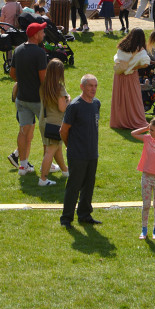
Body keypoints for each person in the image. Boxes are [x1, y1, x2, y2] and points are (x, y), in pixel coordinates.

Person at [60, 75, 101, 228]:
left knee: (89, 186)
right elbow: (63, 130)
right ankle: (66, 218)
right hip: (77, 154)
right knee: (74, 186)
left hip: (92, 152)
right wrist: (69, 146)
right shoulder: (75, 106)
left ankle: (84, 214)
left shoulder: (96, 104)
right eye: (90, 85)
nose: (93, 89)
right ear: (82, 87)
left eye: (95, 85)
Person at [9, 22, 47, 176]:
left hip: (22, 99)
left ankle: (23, 166)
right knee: (47, 133)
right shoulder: (39, 53)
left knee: (23, 132)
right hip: (38, 101)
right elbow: (43, 78)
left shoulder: (18, 50)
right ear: (35, 35)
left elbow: (12, 73)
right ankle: (48, 164)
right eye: (42, 32)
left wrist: (24, 80)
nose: (43, 34)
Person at [110, 28, 150, 130]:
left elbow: (117, 59)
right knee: (133, 98)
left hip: (119, 75)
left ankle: (119, 121)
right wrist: (134, 67)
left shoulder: (122, 47)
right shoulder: (140, 51)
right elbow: (146, 63)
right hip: (131, 76)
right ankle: (133, 119)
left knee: (120, 98)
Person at [38, 59, 70, 186]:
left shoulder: (43, 85)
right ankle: (43, 179)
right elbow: (63, 108)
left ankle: (65, 171)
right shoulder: (59, 88)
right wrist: (69, 99)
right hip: (54, 123)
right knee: (50, 151)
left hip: (44, 121)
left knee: (56, 148)